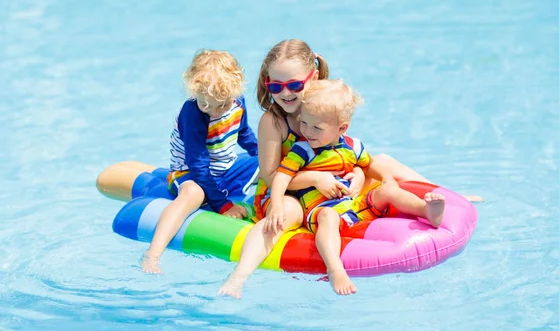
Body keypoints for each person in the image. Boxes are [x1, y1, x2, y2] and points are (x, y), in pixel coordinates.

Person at [218, 39, 480, 298]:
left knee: (384, 161)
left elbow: (345, 151)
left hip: (329, 188)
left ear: (315, 76)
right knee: (284, 213)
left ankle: (446, 195)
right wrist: (315, 178)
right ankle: (239, 277)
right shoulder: (274, 122)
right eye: (275, 86)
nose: (285, 93)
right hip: (288, 191)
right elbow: (269, 174)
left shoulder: (324, 106)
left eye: (295, 85)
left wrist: (357, 173)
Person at [265, 79, 446, 295]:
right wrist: (276, 205)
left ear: (342, 128)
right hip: (321, 210)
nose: (307, 131)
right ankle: (335, 269)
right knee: (329, 217)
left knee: (388, 191)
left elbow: (370, 166)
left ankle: (426, 211)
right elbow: (282, 178)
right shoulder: (302, 150)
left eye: (316, 127)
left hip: (354, 205)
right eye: (304, 123)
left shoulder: (353, 146)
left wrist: (387, 179)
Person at [141, 50, 259, 274]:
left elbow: (244, 134)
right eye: (207, 105)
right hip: (190, 173)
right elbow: (198, 166)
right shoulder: (192, 113)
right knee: (194, 194)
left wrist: (264, 157)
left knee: (273, 165)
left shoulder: (237, 102)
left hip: (226, 168)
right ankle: (152, 254)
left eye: (222, 105)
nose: (214, 112)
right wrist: (224, 207)